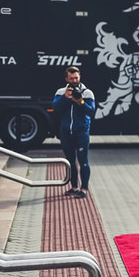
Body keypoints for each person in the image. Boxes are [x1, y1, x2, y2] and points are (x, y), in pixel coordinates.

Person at [52, 66, 95, 198]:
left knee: (83, 161)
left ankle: (84, 189)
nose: (74, 80)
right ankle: (74, 186)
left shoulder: (87, 93)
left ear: (80, 77)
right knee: (70, 161)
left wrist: (80, 102)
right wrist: (65, 98)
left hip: (82, 132)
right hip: (66, 132)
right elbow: (55, 108)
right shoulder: (60, 92)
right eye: (71, 78)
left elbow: (91, 111)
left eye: (76, 78)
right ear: (66, 79)